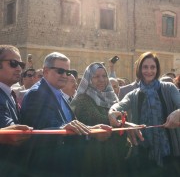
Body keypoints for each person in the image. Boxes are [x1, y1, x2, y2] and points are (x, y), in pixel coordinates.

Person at [20, 52, 111, 177]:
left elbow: (71, 125)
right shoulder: (37, 94)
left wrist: (91, 131)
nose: (65, 76)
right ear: (46, 71)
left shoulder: (58, 94)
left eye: (67, 72)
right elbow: (41, 132)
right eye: (60, 71)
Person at [108, 52, 180, 176]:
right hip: (144, 155)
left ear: (157, 69)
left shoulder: (169, 88)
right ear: (140, 69)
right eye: (145, 67)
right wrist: (112, 112)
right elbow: (118, 106)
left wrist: (178, 112)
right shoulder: (133, 95)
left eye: (153, 67)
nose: (149, 71)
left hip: (170, 154)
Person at [70, 62, 133, 177]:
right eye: (96, 76)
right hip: (93, 156)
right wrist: (117, 119)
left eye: (104, 76)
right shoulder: (83, 99)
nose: (101, 80)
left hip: (115, 154)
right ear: (89, 78)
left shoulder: (111, 97)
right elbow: (97, 120)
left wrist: (121, 120)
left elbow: (122, 117)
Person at [0, 45, 32, 176]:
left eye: (21, 64)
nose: (19, 68)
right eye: (13, 63)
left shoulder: (9, 93)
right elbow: (10, 129)